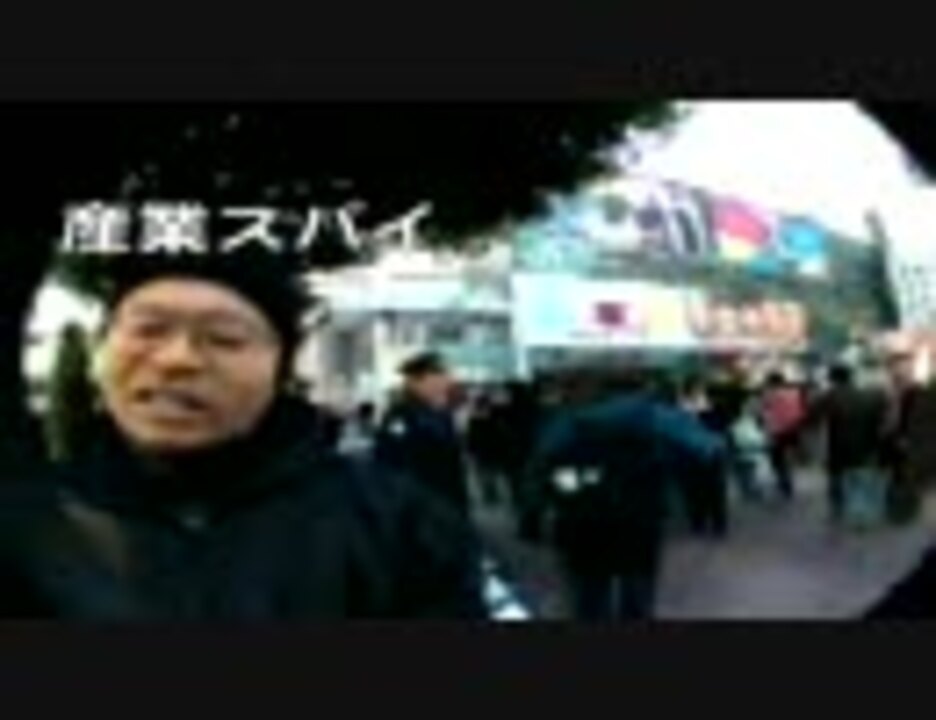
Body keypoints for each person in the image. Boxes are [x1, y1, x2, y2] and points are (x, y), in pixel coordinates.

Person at [0, 249, 487, 619]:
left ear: (282, 371)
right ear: (100, 353)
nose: (177, 359)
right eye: (148, 330)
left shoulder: (400, 526)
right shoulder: (27, 520)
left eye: (224, 339)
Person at [522, 371, 723, 621]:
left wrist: (532, 515)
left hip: (583, 520)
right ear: (639, 389)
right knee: (637, 590)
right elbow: (709, 449)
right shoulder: (657, 416)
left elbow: (538, 470)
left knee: (589, 594)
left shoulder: (567, 420)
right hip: (639, 518)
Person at [374, 352, 472, 517]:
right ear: (415, 382)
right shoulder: (401, 416)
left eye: (444, 376)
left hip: (447, 501)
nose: (445, 382)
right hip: (420, 506)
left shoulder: (441, 413)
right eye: (436, 377)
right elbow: (392, 462)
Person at [807, 364, 889, 526]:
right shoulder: (869, 395)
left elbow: (812, 418)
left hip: (839, 446)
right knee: (861, 479)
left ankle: (839, 510)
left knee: (836, 479)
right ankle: (863, 512)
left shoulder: (829, 396)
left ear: (832, 379)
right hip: (866, 445)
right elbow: (881, 420)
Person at [759, 371, 806, 501]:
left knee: (777, 460)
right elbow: (801, 411)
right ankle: (788, 479)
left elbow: (764, 413)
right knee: (786, 457)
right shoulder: (794, 393)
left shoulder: (769, 395)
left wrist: (766, 428)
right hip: (793, 429)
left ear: (771, 383)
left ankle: (785, 484)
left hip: (777, 431)